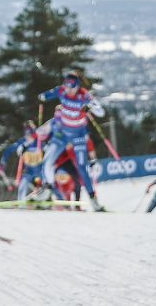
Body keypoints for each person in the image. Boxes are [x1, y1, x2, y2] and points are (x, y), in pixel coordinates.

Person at [38, 70, 108, 212]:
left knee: (82, 168)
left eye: (72, 86)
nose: (69, 89)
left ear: (77, 85)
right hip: (62, 133)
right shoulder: (62, 90)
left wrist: (92, 107)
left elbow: (101, 113)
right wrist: (43, 97)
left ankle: (94, 200)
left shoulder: (84, 95)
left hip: (78, 135)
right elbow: (44, 96)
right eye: (66, 85)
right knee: (47, 161)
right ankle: (47, 188)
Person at [0, 120, 46, 200]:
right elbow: (7, 151)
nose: (28, 137)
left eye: (30, 135)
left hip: (40, 171)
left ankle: (43, 198)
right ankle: (21, 204)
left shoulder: (40, 141)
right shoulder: (22, 142)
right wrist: (2, 163)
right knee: (23, 184)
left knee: (41, 184)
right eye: (26, 135)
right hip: (28, 170)